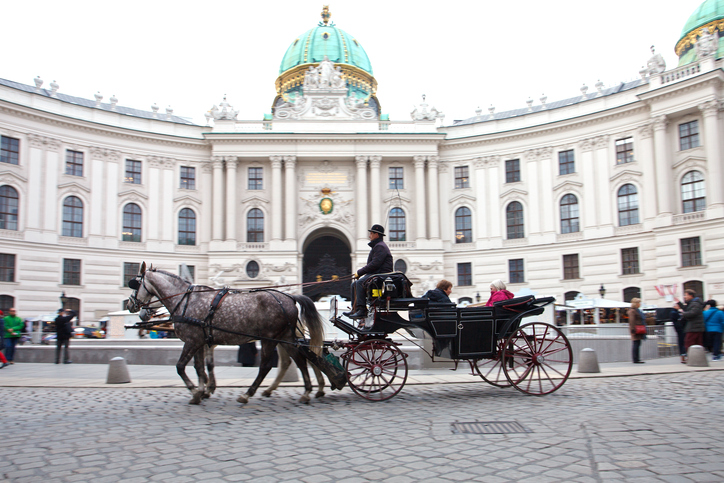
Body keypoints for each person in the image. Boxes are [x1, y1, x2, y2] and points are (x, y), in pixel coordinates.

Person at [344, 224, 393, 319]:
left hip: (381, 275)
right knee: (354, 285)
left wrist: (360, 272)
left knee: (359, 283)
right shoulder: (378, 246)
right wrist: (360, 273)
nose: (369, 235)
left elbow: (375, 264)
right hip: (376, 274)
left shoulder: (380, 247)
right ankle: (355, 309)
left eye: (371, 233)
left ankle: (362, 310)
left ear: (377, 235)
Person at [675, 289, 705, 363]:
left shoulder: (695, 304)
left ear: (691, 295)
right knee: (696, 343)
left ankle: (691, 358)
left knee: (689, 342)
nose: (685, 297)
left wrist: (682, 313)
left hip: (694, 327)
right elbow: (687, 309)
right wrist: (679, 303)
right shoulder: (693, 303)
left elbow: (692, 313)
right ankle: (697, 359)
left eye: (686, 295)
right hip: (695, 326)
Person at [628, 298, 646, 364]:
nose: (640, 304)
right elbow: (632, 321)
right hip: (636, 329)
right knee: (636, 343)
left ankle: (637, 358)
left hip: (638, 329)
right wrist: (632, 330)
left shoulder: (637, 310)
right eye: (639, 303)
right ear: (636, 304)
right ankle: (635, 359)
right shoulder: (633, 311)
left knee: (638, 343)